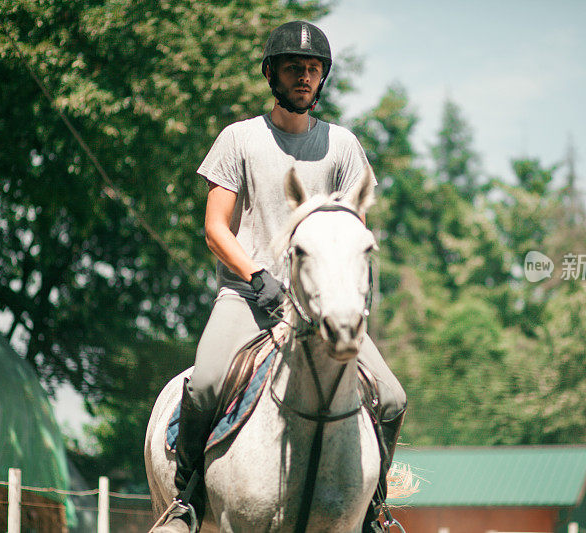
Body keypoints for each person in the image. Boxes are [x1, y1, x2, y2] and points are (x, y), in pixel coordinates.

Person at [156, 20, 407, 533]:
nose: (305, 77)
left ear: (323, 79)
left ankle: (375, 510)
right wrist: (258, 277)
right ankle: (184, 503)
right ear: (272, 74)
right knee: (204, 383)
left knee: (393, 396)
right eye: (295, 67)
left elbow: (351, 234)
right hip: (246, 298)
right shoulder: (239, 139)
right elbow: (214, 228)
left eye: (314, 69)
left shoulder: (343, 147)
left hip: (319, 306)